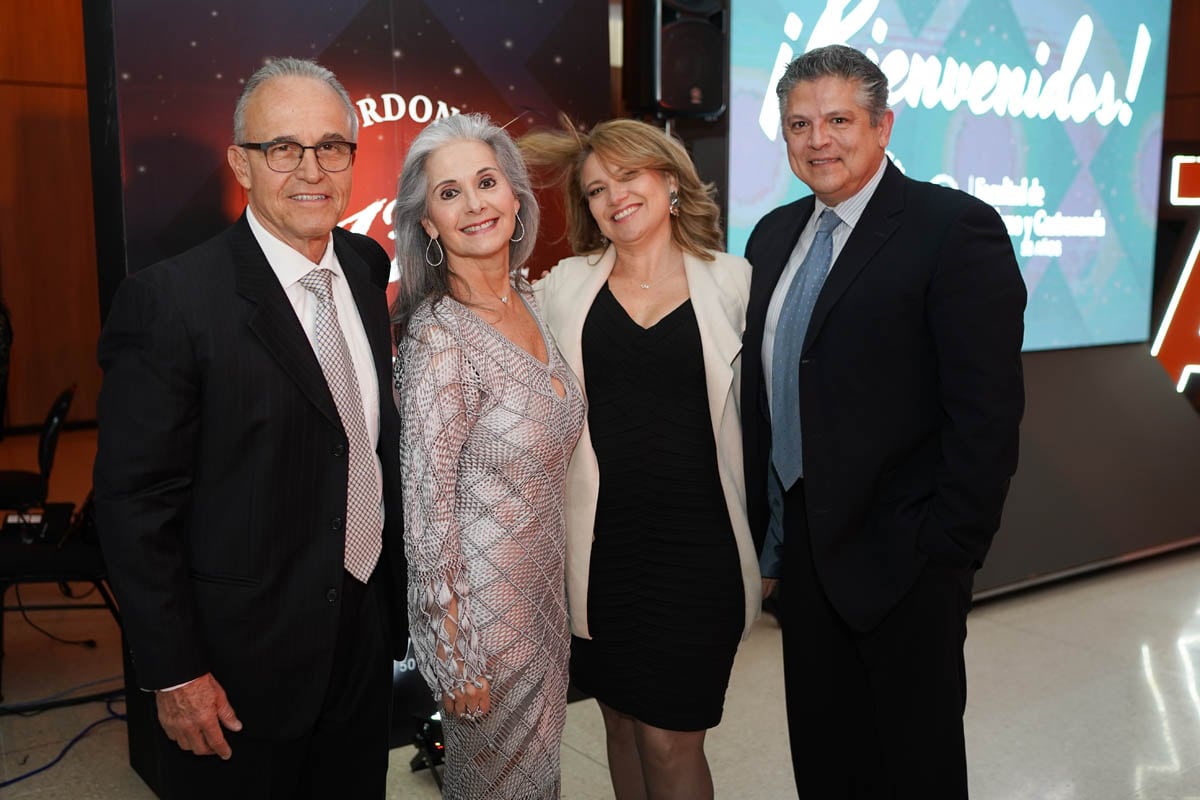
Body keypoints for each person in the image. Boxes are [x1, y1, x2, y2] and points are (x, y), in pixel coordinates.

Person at [93, 58, 407, 799]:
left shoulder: (364, 265)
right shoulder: (170, 302)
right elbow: (135, 506)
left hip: (362, 635)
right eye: (283, 148)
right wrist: (174, 670)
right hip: (236, 666)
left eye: (331, 146)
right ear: (241, 162)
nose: (312, 168)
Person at [741, 44, 1026, 797]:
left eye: (839, 119)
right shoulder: (772, 236)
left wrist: (947, 554)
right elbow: (767, 399)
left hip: (908, 560)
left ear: (883, 124)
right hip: (804, 559)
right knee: (828, 763)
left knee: (915, 768)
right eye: (799, 123)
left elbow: (987, 410)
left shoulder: (953, 228)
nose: (818, 139)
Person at [521, 117, 761, 800]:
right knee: (621, 725)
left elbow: (772, 424)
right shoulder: (563, 287)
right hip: (599, 553)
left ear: (669, 180)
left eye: (629, 176)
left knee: (670, 736)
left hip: (701, 552)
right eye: (597, 188)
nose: (614, 196)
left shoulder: (736, 284)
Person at [391, 112, 586, 799]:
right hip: (482, 628)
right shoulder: (440, 340)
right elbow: (425, 512)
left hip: (541, 605)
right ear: (426, 225)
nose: (475, 204)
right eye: (449, 194)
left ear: (515, 198)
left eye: (485, 182)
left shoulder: (530, 303)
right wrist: (453, 654)